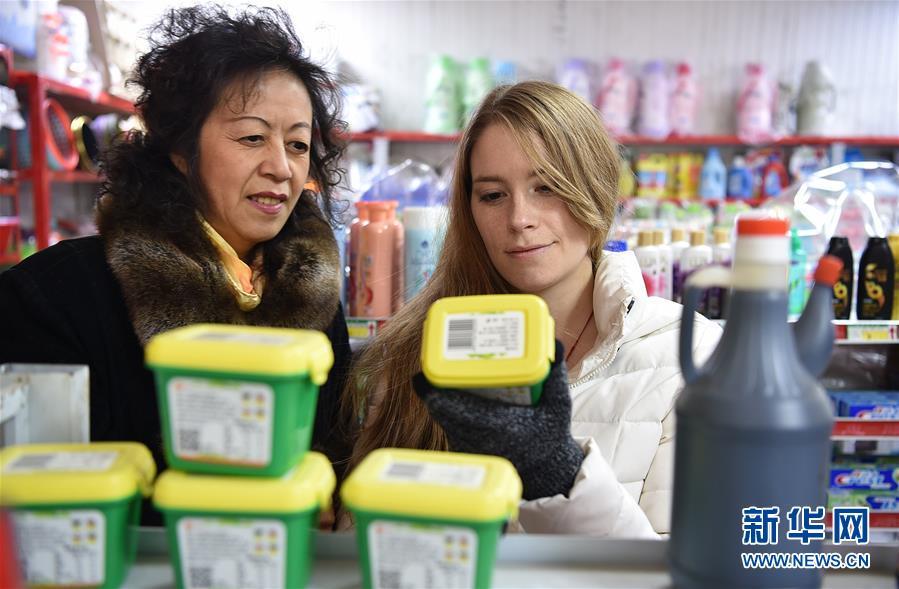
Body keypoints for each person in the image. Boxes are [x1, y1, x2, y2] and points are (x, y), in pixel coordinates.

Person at [0, 5, 351, 521]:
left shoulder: (312, 296)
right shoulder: (56, 296)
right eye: (252, 137)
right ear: (181, 150)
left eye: (298, 144)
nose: (282, 167)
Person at [340, 81, 721, 537]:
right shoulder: (418, 351)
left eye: (546, 187)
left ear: (597, 189)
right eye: (493, 195)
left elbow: (688, 566)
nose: (519, 219)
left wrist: (557, 473)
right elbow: (361, 542)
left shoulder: (691, 355)